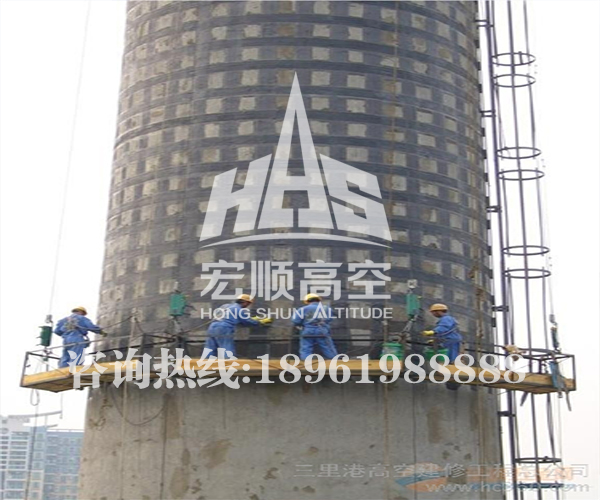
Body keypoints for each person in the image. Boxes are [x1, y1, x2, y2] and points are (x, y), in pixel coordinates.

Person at [205, 294, 272, 358]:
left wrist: (251, 319)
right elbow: (246, 321)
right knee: (226, 346)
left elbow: (230, 317)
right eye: (248, 303)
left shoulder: (225, 306)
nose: (248, 305)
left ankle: (205, 362)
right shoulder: (238, 309)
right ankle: (229, 363)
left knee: (210, 347)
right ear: (245, 302)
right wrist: (259, 322)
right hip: (224, 328)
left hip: (212, 326)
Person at [292, 293, 338, 360]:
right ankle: (335, 362)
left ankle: (306, 363)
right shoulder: (327, 309)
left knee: (306, 347)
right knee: (327, 347)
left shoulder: (302, 309)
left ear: (307, 301)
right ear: (319, 300)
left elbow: (296, 321)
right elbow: (329, 319)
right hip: (321, 330)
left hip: (307, 330)